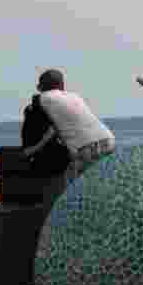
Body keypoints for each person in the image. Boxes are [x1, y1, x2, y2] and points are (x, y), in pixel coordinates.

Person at [21, 69, 116, 212]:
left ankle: (76, 216)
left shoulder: (42, 98)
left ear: (41, 86)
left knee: (69, 192)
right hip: (108, 140)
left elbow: (33, 111)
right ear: (62, 85)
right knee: (98, 184)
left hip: (85, 147)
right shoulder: (75, 97)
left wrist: (31, 149)